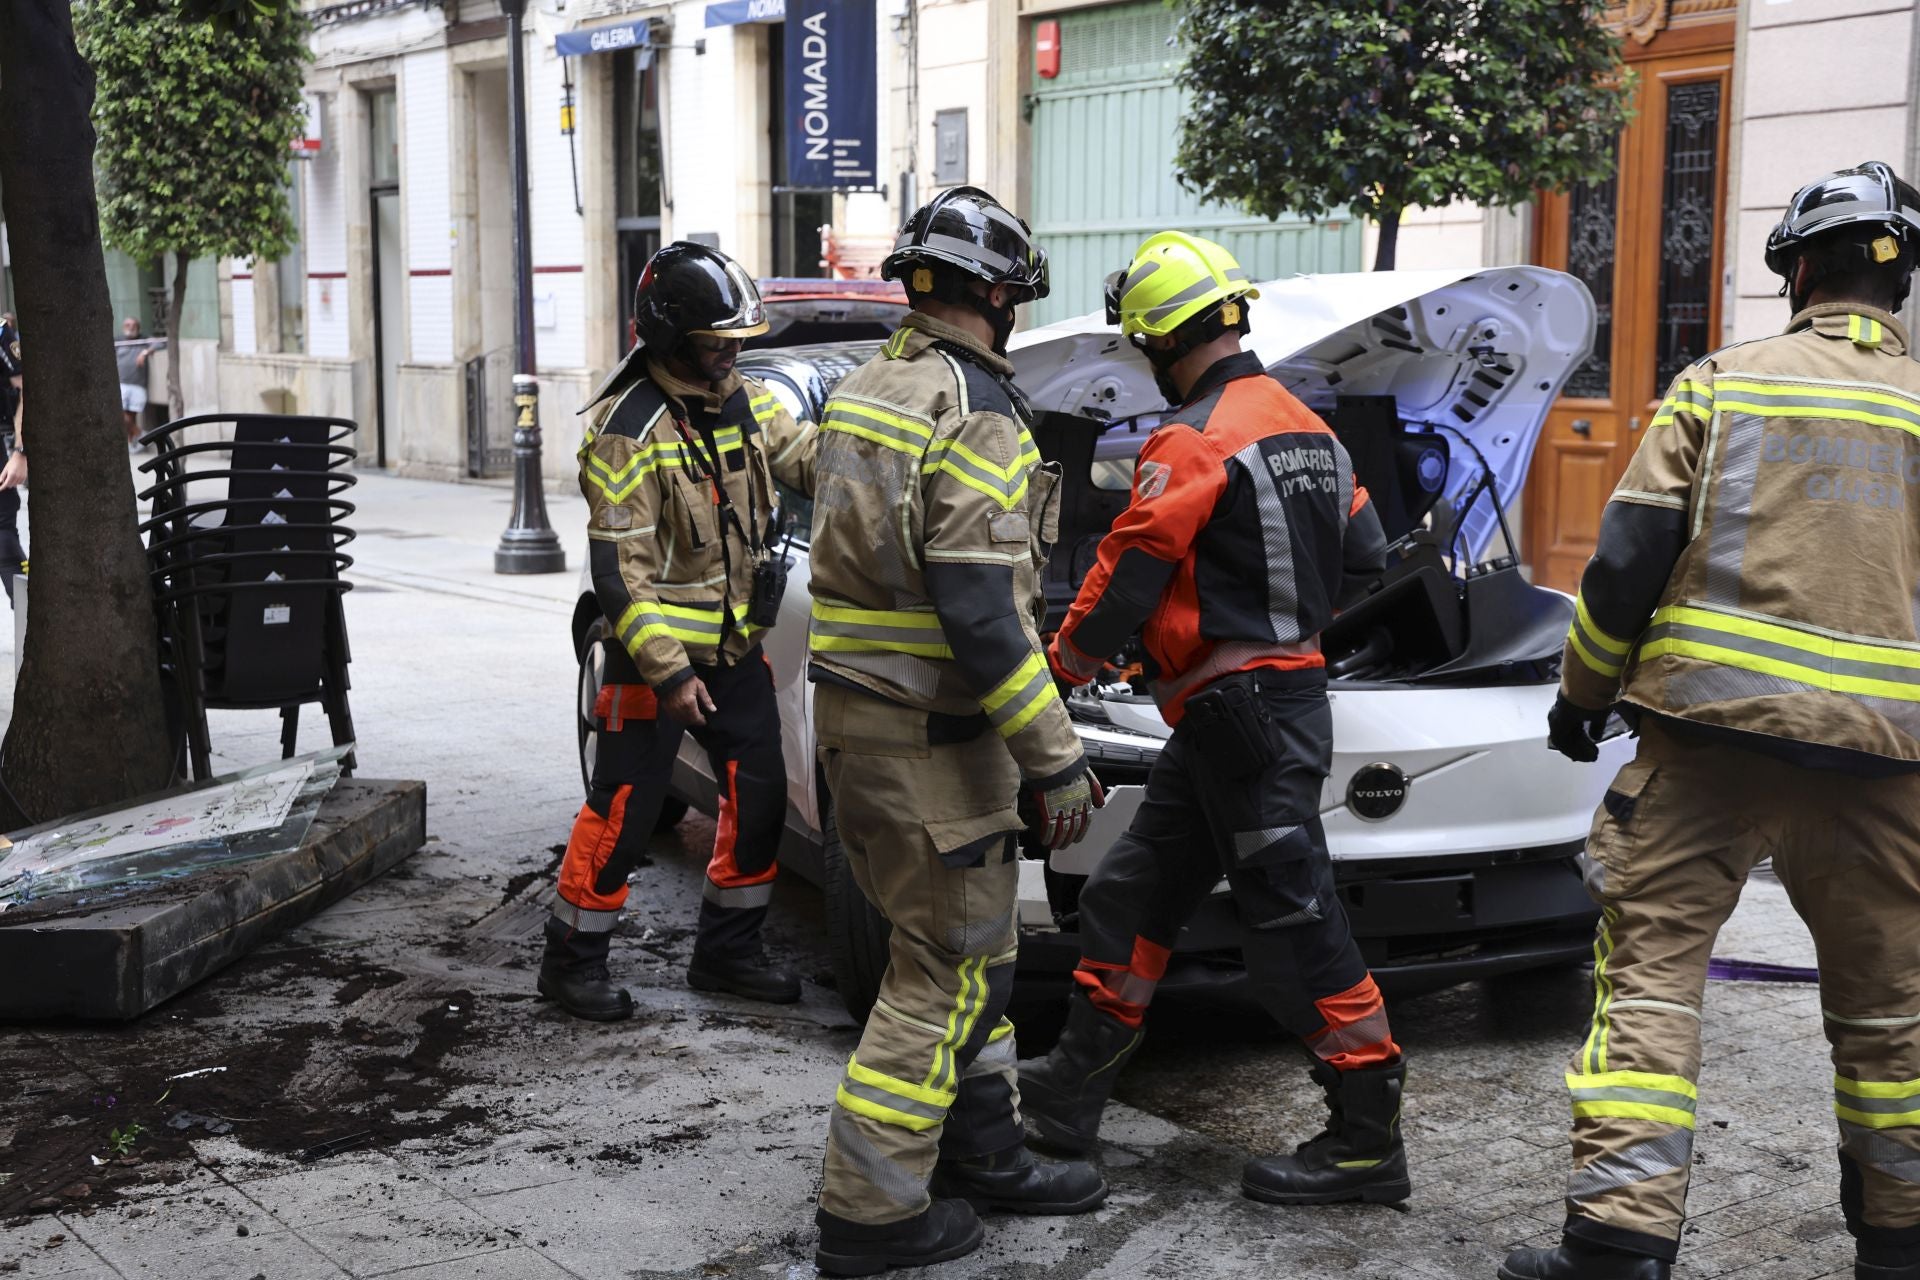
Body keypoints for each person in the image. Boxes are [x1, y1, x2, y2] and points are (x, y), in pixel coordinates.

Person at [1500, 160, 1920, 1280]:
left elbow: (1625, 564)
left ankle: (1618, 1246)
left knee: (1648, 983)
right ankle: (1897, 1239)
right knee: (1891, 1011)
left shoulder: (1721, 385)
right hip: (1887, 768)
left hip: (1704, 748)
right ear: (1903, 279)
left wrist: (1581, 702)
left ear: (1794, 271)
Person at [1020, 230, 1408, 1207]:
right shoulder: (1308, 427)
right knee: (1132, 893)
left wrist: (1058, 673)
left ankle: (1367, 1135)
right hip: (1236, 721)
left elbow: (1125, 574)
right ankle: (1065, 1100)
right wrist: (1280, 608)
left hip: (1249, 722)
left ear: (1161, 340)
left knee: (1293, 926)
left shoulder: (1194, 437)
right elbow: (1366, 552)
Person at [804, 186, 1106, 1275]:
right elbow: (984, 614)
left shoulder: (869, 385)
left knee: (968, 949)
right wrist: (1059, 760)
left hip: (857, 732)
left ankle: (986, 1152)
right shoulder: (977, 408)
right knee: (948, 969)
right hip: (933, 742)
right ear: (996, 292)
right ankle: (872, 1210)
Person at [540, 243, 819, 1021]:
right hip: (648, 663)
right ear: (670, 337)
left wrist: (889, 445)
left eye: (736, 341)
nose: (731, 353)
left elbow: (810, 458)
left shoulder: (747, 401)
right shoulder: (629, 431)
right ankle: (571, 961)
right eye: (715, 341)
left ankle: (728, 954)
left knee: (760, 797)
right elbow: (621, 573)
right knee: (623, 808)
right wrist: (668, 674)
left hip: (734, 652)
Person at [0, 313, 26, 602]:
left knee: (3, 536)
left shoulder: (0, 333)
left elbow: (25, 387)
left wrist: (21, 451)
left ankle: (33, 627)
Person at [115, 317, 161, 449]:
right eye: (128, 325)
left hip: (138, 385)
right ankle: (140, 434)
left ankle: (131, 444)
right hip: (121, 384)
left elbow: (161, 343)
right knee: (121, 415)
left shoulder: (143, 340)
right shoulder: (118, 341)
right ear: (124, 327)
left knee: (131, 415)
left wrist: (145, 352)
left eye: (134, 325)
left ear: (138, 327)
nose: (131, 327)